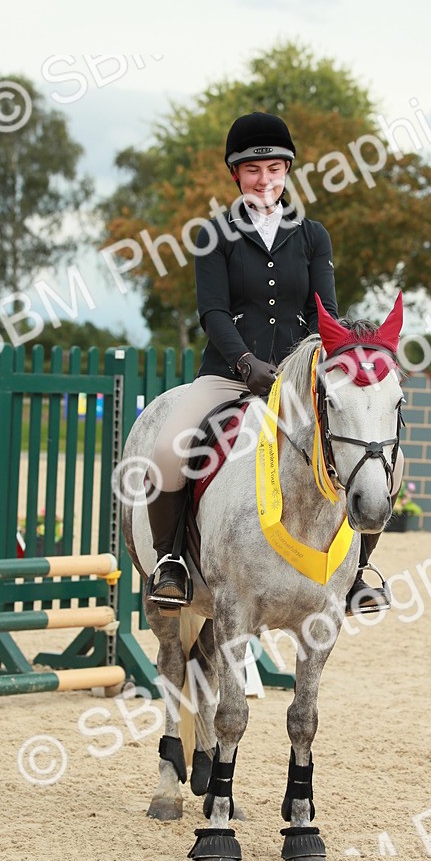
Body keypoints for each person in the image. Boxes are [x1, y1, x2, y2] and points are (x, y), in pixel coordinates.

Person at [145, 111, 399, 614]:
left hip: (298, 380)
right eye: (253, 170)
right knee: (170, 452)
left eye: (275, 169)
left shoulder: (312, 236)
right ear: (236, 175)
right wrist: (244, 362)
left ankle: (359, 572)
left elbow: (321, 313)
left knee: (371, 453)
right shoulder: (212, 234)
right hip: (226, 374)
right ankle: (171, 560)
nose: (265, 180)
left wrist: (297, 371)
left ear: (287, 171)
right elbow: (212, 310)